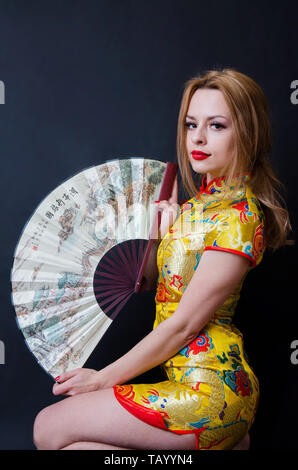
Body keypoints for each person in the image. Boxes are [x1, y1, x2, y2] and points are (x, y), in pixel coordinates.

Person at [33, 68, 293, 450]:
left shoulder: (239, 216)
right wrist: (160, 234)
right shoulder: (194, 207)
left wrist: (104, 378)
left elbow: (184, 324)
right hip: (179, 380)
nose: (198, 138)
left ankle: (230, 435)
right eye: (191, 125)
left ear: (248, 133)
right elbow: (160, 289)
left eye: (217, 126)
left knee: (48, 427)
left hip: (214, 390)